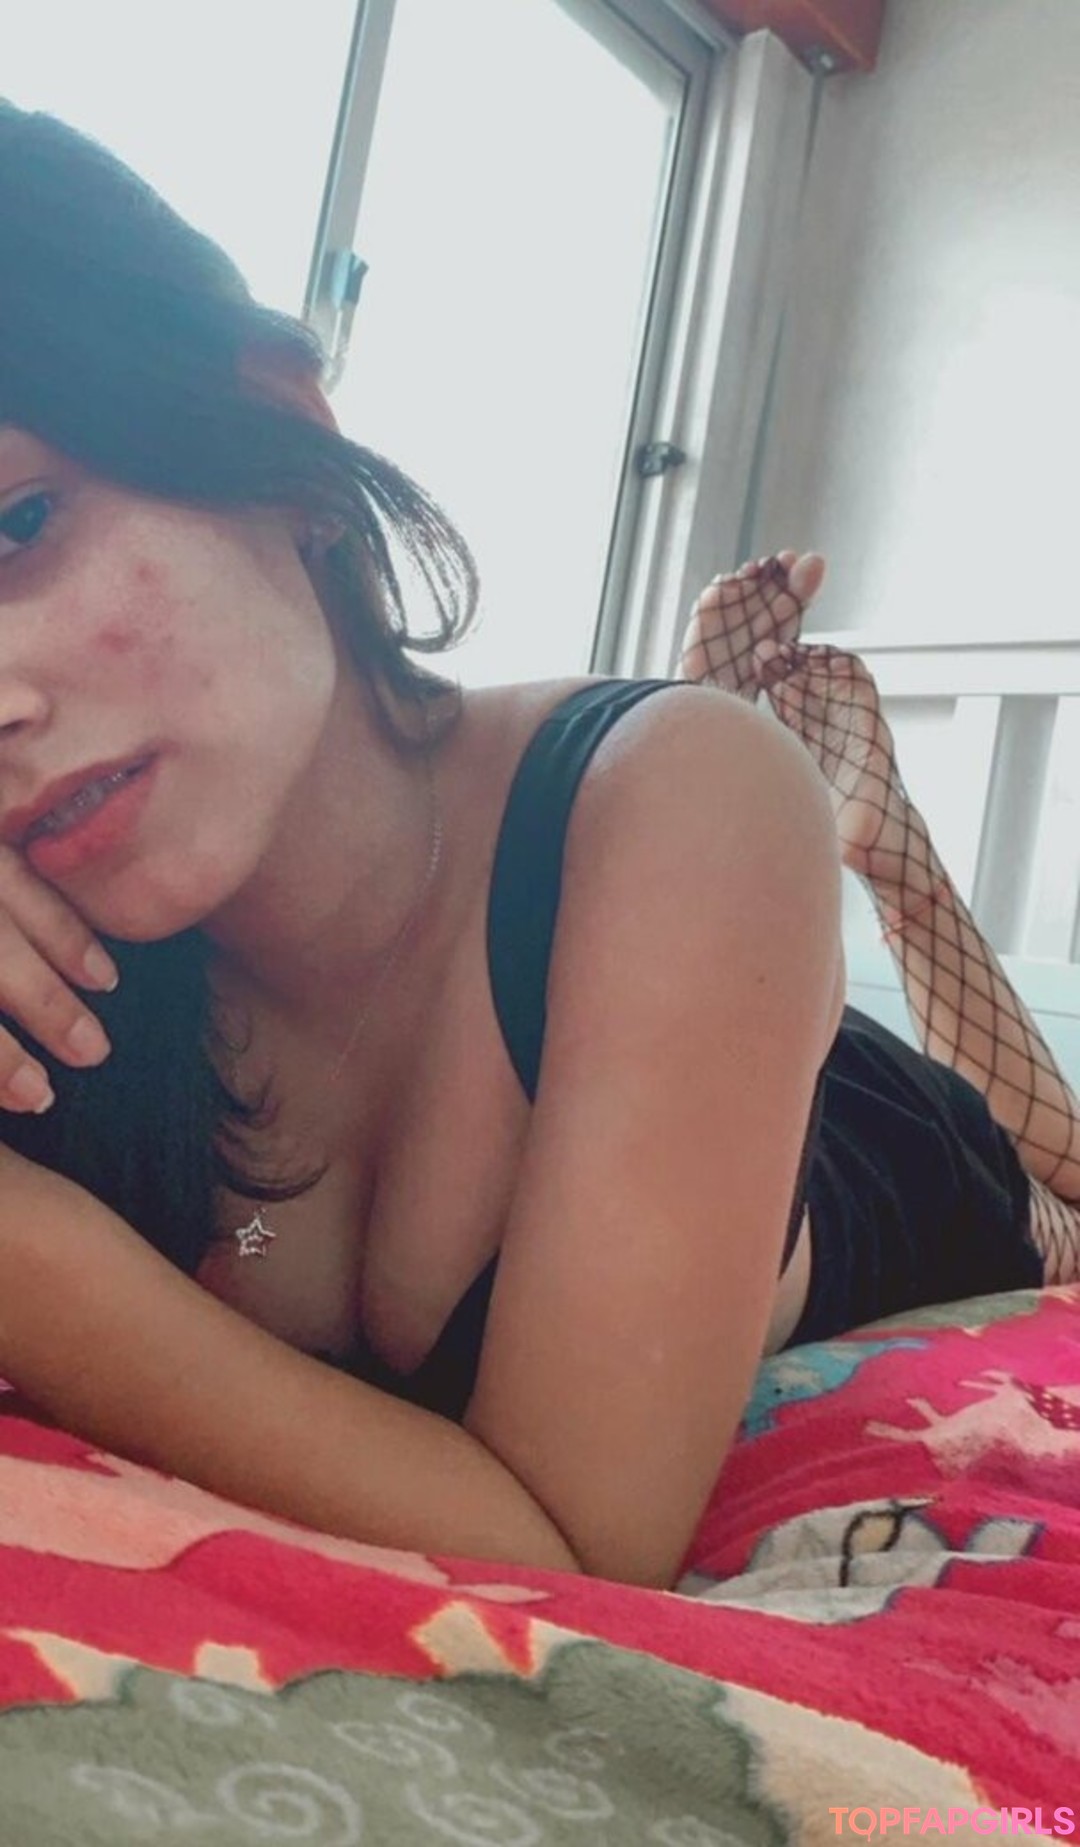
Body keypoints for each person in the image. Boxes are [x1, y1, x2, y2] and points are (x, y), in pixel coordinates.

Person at [0, 103, 1076, 1591]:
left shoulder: (677, 797)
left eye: (19, 526)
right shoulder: (53, 955)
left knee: (1061, 1176)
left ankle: (880, 852)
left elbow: (579, 1547)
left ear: (287, 447)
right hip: (665, 970)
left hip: (892, 1152)